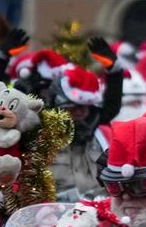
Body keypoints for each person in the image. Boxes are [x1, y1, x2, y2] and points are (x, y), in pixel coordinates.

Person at [47, 38, 124, 201]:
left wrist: (114, 70)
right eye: (74, 107)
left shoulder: (100, 131)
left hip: (97, 212)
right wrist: (1, 59)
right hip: (51, 213)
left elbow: (111, 106)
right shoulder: (43, 135)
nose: (81, 112)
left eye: (85, 107)